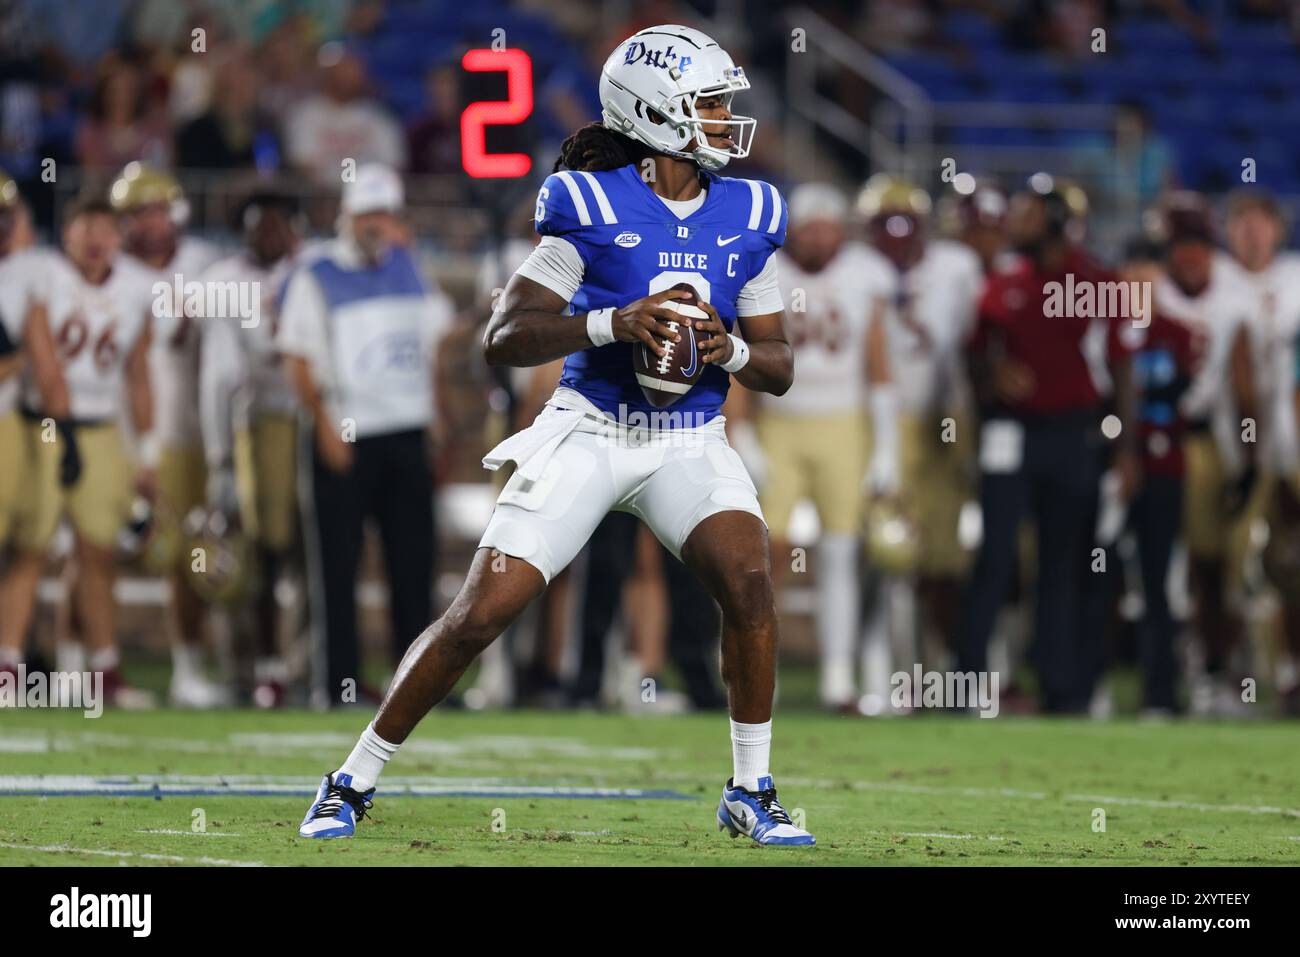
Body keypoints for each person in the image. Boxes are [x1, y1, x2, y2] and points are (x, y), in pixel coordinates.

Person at [296, 24, 814, 847]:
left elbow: (780, 364)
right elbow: (506, 334)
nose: (725, 120)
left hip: (687, 436)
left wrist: (733, 346)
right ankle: (350, 778)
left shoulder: (750, 212)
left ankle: (751, 786)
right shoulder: (592, 201)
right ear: (655, 111)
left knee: (750, 584)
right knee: (478, 613)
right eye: (709, 104)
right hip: (591, 429)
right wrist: (612, 322)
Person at [958, 175, 1140, 713]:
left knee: (1065, 565)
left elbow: (1123, 369)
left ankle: (1063, 688)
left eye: (1030, 214)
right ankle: (966, 685)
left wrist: (1126, 449)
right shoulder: (1004, 277)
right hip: (1010, 432)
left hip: (1074, 433)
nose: (1017, 223)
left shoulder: (1099, 280)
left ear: (1058, 220)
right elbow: (973, 353)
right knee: (994, 558)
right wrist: (994, 375)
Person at [277, 163, 452, 709]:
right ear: (350, 217)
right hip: (347, 433)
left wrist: (437, 417)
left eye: (386, 214)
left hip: (406, 432)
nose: (380, 225)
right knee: (336, 565)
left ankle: (415, 684)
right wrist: (325, 427)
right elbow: (298, 358)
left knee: (413, 564)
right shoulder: (316, 271)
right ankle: (337, 684)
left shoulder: (409, 268)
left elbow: (436, 344)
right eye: (370, 214)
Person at [0, 199, 157, 705]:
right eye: (86, 227)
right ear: (65, 232)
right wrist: (61, 428)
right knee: (30, 548)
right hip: (42, 422)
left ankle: (105, 672)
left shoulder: (135, 286)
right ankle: (8, 670)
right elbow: (42, 357)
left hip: (101, 426)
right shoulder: (39, 272)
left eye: (107, 229)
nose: (96, 239)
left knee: (99, 551)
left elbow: (138, 371)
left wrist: (147, 450)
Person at [753, 181, 891, 711]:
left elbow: (879, 363)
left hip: (844, 424)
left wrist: (887, 449)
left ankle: (838, 676)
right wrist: (742, 433)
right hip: (779, 423)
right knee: (768, 554)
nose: (817, 237)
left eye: (825, 226)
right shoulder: (768, 270)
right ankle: (761, 671)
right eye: (808, 226)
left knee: (840, 551)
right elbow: (746, 352)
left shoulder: (865, 273)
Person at [859, 175, 984, 710]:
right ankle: (888, 675)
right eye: (887, 226)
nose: (897, 236)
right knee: (887, 552)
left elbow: (981, 341)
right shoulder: (858, 271)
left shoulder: (957, 267)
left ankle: (950, 673)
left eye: (906, 225)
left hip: (946, 416)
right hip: (879, 418)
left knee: (945, 558)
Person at [111, 161, 224, 707]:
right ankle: (85, 667)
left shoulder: (204, 264)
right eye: (137, 212)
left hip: (189, 429)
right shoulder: (105, 269)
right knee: (95, 548)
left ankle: (191, 664)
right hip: (118, 430)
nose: (149, 222)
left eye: (156, 209)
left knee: (191, 555)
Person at [197, 189, 305, 706]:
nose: (267, 235)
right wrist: (220, 454)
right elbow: (224, 374)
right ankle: (250, 667)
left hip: (311, 423)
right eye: (258, 225)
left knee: (306, 550)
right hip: (255, 423)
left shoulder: (311, 271)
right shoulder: (223, 281)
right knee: (255, 548)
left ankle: (297, 666)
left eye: (277, 224)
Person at [1154, 192, 1259, 716]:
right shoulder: (1143, 289)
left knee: (1211, 564)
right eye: (1181, 246)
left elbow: (1243, 386)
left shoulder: (1234, 298)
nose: (1190, 257)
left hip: (1198, 439)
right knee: (1135, 564)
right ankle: (1142, 679)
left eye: (1198, 246)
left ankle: (1212, 670)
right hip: (1144, 439)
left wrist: (1250, 458)